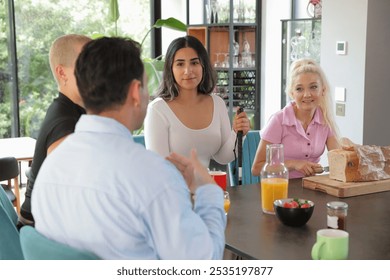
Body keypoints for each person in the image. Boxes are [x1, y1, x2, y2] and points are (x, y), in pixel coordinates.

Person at [31, 37, 226, 260]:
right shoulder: (153, 175)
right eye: (145, 86)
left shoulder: (50, 169)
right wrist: (208, 191)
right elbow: (202, 262)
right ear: (135, 92)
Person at [144, 35, 250, 168]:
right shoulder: (157, 110)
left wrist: (237, 133)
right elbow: (158, 167)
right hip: (171, 188)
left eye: (194, 63)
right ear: (171, 69)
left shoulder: (217, 103)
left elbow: (223, 157)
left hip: (206, 187)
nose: (188, 71)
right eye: (180, 64)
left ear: (203, 66)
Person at [18, 34, 91, 227]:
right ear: (62, 73)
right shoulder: (64, 121)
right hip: (39, 231)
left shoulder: (74, 110)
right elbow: (71, 193)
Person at [252, 58, 341, 178]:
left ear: (323, 90)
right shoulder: (278, 121)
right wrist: (294, 164)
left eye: (313, 87)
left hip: (311, 188)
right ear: (291, 93)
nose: (307, 94)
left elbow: (339, 160)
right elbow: (257, 168)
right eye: (299, 89)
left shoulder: (325, 119)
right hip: (279, 190)